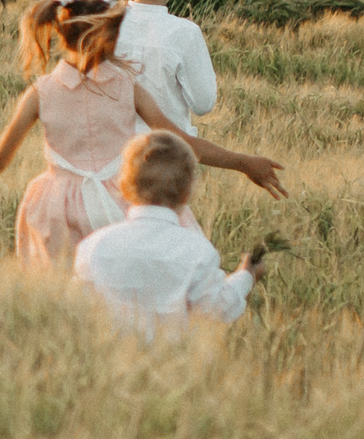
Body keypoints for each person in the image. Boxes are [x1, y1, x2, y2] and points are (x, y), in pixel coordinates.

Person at [0, 0, 285, 268]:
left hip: (55, 209)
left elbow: (1, 154)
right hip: (124, 200)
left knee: (68, 293)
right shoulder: (127, 86)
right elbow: (180, 140)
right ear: (110, 36)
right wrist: (242, 162)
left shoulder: (40, 92)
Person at [75, 130, 268, 340]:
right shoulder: (198, 252)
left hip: (108, 364)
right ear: (188, 192)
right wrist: (246, 276)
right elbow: (219, 309)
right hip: (176, 365)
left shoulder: (93, 246)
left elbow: (78, 312)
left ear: (124, 186)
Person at [114, 0, 217, 137]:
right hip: (168, 152)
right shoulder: (186, 33)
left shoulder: (105, 24)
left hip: (111, 154)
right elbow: (203, 104)